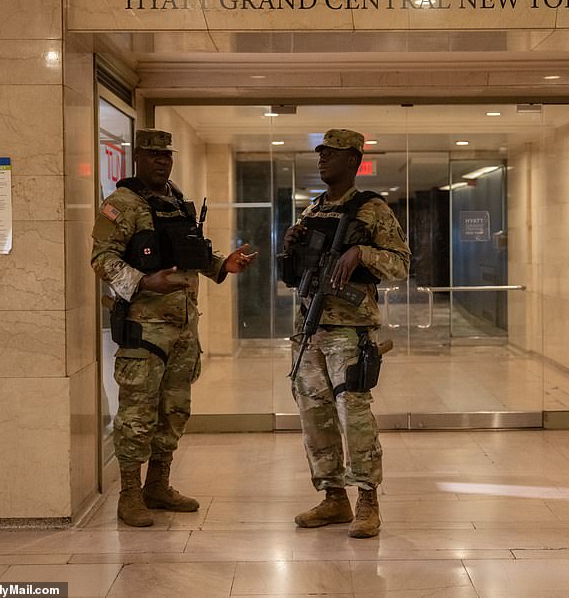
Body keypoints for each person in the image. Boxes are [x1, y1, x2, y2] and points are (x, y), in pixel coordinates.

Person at [91, 128, 257, 527]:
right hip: (144, 332)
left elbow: (189, 255)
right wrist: (145, 282)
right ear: (138, 159)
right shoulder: (121, 204)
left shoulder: (177, 202)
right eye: (152, 155)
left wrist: (221, 265)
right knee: (137, 413)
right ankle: (129, 494)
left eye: (166, 155)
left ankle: (158, 485)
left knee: (174, 410)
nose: (161, 161)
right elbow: (101, 259)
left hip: (183, 328)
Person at [282, 129, 410, 538]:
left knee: (353, 417)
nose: (322, 160)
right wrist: (291, 246)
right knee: (314, 417)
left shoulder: (372, 210)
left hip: (350, 332)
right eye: (320, 154)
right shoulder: (313, 210)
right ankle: (333, 497)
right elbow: (294, 272)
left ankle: (367, 501)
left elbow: (402, 265)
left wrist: (363, 253)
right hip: (309, 330)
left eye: (332, 154)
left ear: (353, 160)